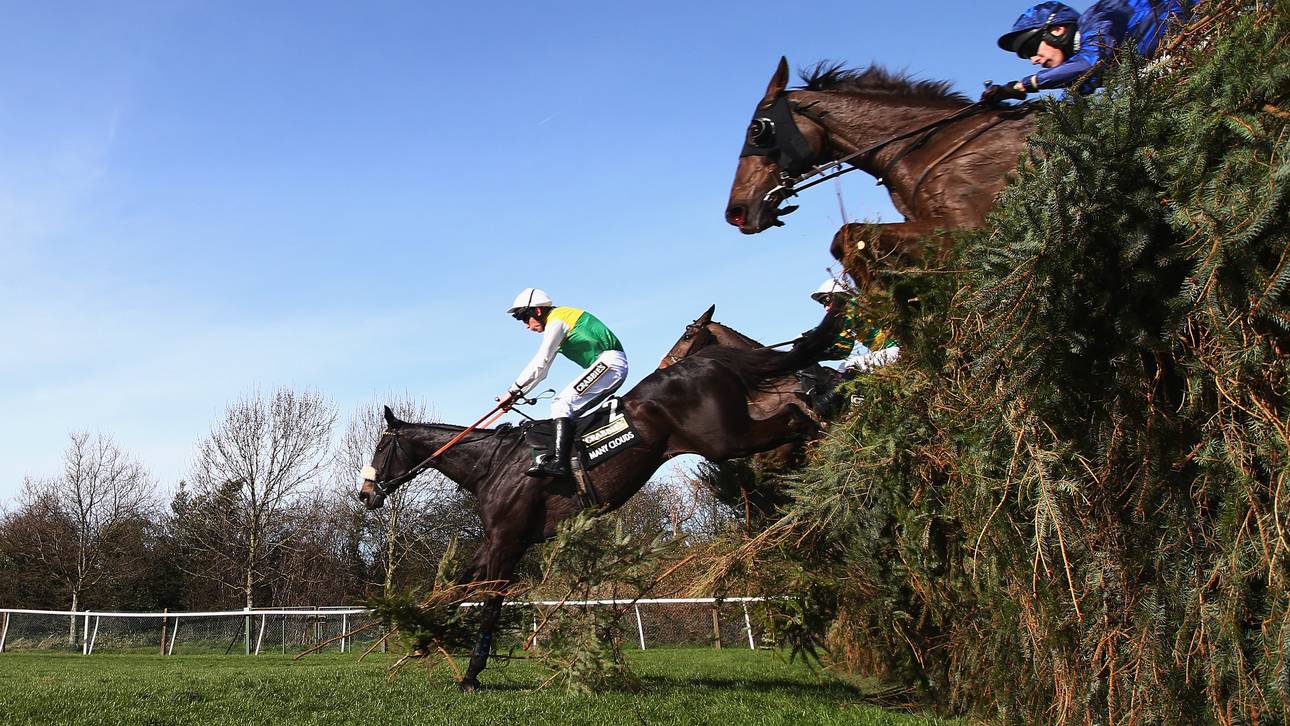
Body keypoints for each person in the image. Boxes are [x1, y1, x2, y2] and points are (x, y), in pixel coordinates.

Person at [499, 288, 628, 478]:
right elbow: (541, 372)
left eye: (524, 318)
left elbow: (541, 360)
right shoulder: (556, 324)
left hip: (610, 363)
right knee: (566, 411)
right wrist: (517, 394)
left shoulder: (557, 320)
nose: (526, 326)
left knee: (561, 404)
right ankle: (576, 459)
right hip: (607, 365)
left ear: (537, 311)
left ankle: (559, 463)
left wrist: (512, 391)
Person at [981, 0, 1195, 104]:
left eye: (1031, 49)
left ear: (1057, 30)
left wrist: (1022, 85)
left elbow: (1091, 63)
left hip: (1201, 23)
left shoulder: (1096, 19)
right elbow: (1070, 100)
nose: (1034, 60)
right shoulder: (1081, 58)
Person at [810, 279, 900, 374]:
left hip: (897, 350)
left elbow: (834, 333)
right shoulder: (852, 310)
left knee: (851, 364)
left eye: (827, 300)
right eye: (822, 303)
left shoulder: (853, 306)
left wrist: (807, 338)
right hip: (889, 353)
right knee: (843, 368)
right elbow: (843, 350)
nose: (826, 308)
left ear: (840, 296)